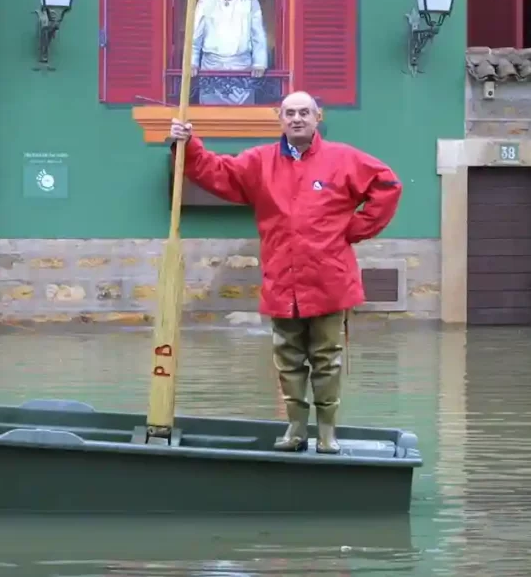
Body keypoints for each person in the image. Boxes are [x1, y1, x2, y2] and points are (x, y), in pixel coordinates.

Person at [169, 91, 403, 454]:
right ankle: (295, 428)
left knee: (328, 358)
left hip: (329, 278)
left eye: (304, 113)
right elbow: (217, 172)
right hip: (282, 277)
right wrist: (189, 145)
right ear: (279, 117)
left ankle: (327, 432)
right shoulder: (259, 162)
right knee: (288, 358)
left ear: (318, 117)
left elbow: (387, 185)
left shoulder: (343, 159)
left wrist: (355, 230)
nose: (297, 118)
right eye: (290, 113)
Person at [190, 0, 268, 105]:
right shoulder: (204, 3)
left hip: (242, 71)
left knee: (243, 122)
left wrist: (259, 63)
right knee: (210, 120)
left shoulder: (250, 3)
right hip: (211, 71)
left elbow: (258, 37)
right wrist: (192, 62)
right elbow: (195, 38)